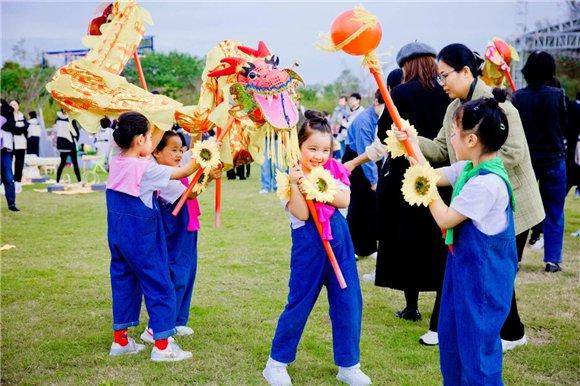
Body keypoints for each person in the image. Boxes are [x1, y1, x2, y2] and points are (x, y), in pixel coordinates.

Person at [419, 43, 544, 352]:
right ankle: (508, 333)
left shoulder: (497, 105)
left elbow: (513, 152)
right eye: (439, 77)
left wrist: (471, 170)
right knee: (491, 272)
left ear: (465, 72)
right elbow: (440, 150)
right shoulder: (453, 110)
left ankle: (506, 335)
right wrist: (409, 138)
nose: (442, 83)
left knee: (497, 272)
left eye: (445, 75)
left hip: (510, 203)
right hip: (478, 201)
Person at [397, 95, 517, 385]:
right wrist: (410, 145)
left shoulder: (487, 183)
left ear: (472, 140)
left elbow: (445, 218)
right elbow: (431, 175)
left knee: (477, 354)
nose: (450, 138)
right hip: (461, 272)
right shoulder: (468, 169)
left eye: (454, 132)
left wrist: (423, 186)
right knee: (452, 342)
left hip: (483, 281)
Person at [349, 42, 452, 346]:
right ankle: (438, 309)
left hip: (406, 179)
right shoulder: (446, 92)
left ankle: (412, 306)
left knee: (409, 241)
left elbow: (384, 135)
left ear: (406, 65)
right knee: (438, 240)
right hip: (440, 174)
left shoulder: (403, 93)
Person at [262, 111, 371, 386]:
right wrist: (299, 185)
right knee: (299, 304)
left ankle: (349, 364)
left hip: (341, 247)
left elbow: (344, 199)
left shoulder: (333, 171)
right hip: (309, 251)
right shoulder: (289, 178)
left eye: (325, 150)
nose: (319, 156)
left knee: (348, 303)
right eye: (312, 149)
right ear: (297, 147)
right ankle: (276, 363)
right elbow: (301, 214)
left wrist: (316, 187)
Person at [106, 111, 198, 362]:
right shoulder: (146, 169)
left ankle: (121, 341)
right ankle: (162, 346)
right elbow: (183, 172)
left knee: (123, 281)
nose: (153, 141)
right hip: (142, 239)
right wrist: (206, 153)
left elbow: (137, 145)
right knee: (160, 284)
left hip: (117, 236)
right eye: (150, 137)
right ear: (139, 140)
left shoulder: (116, 160)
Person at [140, 131, 223, 343]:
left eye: (181, 149)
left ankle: (177, 321)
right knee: (175, 273)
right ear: (157, 152)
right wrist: (209, 177)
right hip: (173, 228)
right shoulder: (162, 173)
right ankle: (156, 326)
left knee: (188, 271)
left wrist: (198, 128)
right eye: (173, 150)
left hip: (187, 225)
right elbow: (191, 192)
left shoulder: (177, 164)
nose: (179, 154)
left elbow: (193, 153)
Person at [511, 51, 567, 273]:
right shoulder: (558, 95)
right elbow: (563, 124)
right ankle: (552, 260)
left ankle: (515, 257)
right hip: (554, 157)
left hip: (527, 159)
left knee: (521, 209)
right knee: (555, 208)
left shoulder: (518, 98)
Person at [342, 89, 385, 259]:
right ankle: (352, 247)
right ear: (376, 102)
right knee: (358, 206)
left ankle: (368, 247)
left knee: (371, 206)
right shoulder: (364, 122)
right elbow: (364, 153)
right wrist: (374, 180)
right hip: (357, 161)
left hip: (369, 161)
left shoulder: (378, 118)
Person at [0, 99, 18, 211]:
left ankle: (11, 203)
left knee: (8, 177)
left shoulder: (7, 110)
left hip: (5, 150)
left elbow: (11, 126)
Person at [54, 109, 81, 183]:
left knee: (62, 164)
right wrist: (75, 140)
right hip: (70, 145)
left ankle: (57, 181)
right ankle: (79, 181)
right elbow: (75, 133)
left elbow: (55, 132)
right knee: (75, 163)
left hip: (62, 146)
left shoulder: (57, 120)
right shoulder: (71, 119)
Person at [9, 100, 28, 192]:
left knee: (19, 164)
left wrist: (18, 129)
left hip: (21, 144)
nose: (13, 106)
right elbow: (12, 129)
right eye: (11, 104)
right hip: (9, 144)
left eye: (14, 104)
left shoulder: (22, 116)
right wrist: (19, 129)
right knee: (7, 164)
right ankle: (5, 183)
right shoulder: (7, 116)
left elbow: (26, 128)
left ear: (18, 106)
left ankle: (18, 183)